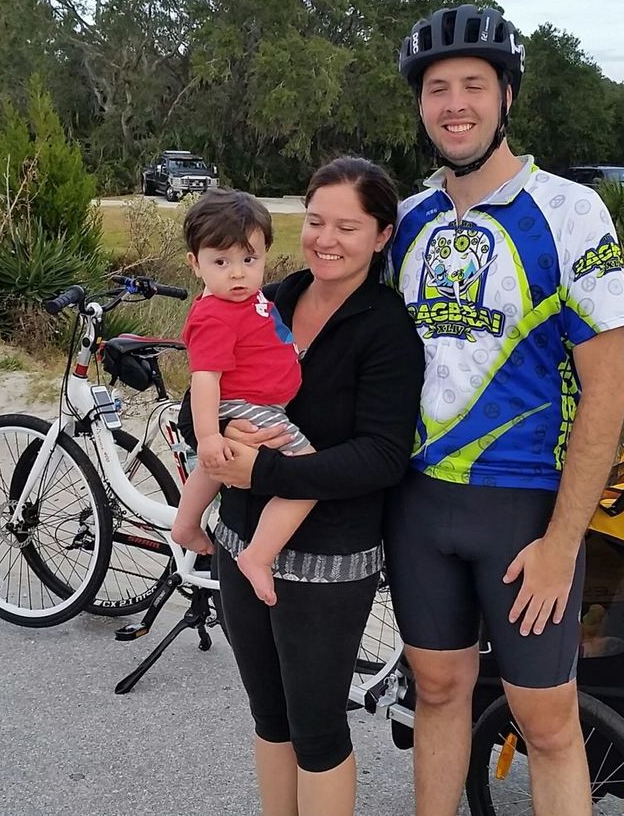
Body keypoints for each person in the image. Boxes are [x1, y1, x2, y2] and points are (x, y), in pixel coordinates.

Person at [387, 4, 624, 816]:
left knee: (547, 721)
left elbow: (608, 388)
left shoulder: (570, 212)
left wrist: (563, 544)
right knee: (436, 689)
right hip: (419, 502)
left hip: (523, 507)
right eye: (437, 89)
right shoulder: (408, 220)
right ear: (420, 104)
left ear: (507, 97)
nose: (454, 104)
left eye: (473, 84)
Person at [195, 156, 424, 816]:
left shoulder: (386, 328)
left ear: (382, 236)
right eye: (316, 221)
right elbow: (201, 394)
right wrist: (221, 429)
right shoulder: (273, 297)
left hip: (328, 560)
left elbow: (382, 457)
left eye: (347, 227)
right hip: (240, 539)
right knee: (269, 715)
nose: (326, 239)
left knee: (317, 729)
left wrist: (266, 471)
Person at [170, 189, 318, 607]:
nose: (237, 274)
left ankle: (185, 524)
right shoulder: (214, 316)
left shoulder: (250, 299)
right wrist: (208, 436)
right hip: (248, 405)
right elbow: (205, 380)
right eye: (221, 262)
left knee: (216, 466)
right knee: (309, 475)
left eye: (249, 260)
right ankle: (259, 555)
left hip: (259, 402)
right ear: (195, 264)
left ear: (265, 254)